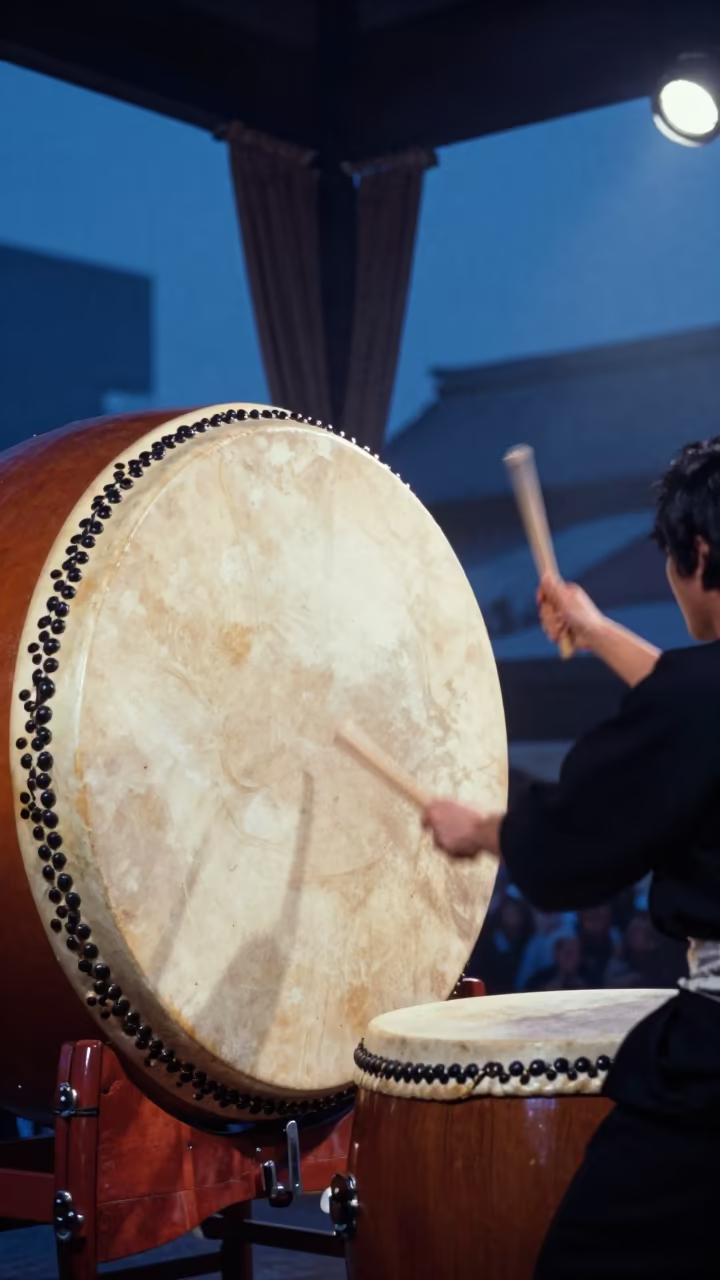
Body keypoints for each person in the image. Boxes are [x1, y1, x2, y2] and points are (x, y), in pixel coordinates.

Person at [423, 437, 720, 1279]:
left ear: (696, 553)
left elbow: (570, 852)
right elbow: (695, 705)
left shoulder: (694, 703)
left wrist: (482, 828)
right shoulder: (697, 699)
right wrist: (593, 631)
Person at [464, 886, 535, 994]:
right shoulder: (488, 938)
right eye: (508, 909)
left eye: (515, 910)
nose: (511, 914)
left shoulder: (530, 940)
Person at [525, 930, 589, 992]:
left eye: (573, 953)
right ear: (555, 954)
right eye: (566, 954)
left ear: (581, 956)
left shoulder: (591, 979)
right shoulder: (539, 981)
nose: (569, 958)